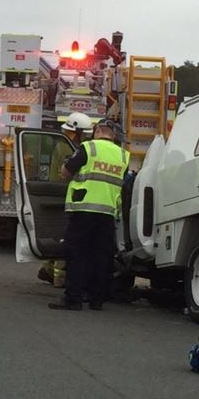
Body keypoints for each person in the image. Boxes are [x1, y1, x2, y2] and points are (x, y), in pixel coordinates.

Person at [49, 118, 129, 311]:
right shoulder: (123, 155)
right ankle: (97, 300)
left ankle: (73, 299)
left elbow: (66, 172)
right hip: (107, 213)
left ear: (97, 131)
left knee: (76, 253)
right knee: (102, 256)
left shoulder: (88, 148)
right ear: (114, 135)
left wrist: (64, 170)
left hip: (84, 209)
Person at [39, 112, 94, 286]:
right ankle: (59, 277)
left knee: (61, 235)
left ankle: (47, 269)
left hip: (66, 194)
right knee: (65, 237)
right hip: (69, 195)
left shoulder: (67, 146)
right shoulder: (69, 148)